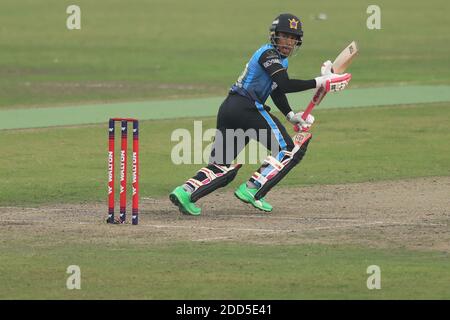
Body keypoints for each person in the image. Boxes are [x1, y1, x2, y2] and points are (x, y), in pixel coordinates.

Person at [169, 13, 350, 215]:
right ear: (274, 36)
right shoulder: (268, 55)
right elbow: (286, 85)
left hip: (230, 108)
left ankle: (185, 192)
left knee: (220, 166)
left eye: (293, 38)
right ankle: (252, 189)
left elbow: (276, 90)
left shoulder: (280, 61)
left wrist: (290, 115)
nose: (288, 42)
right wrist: (321, 81)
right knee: (288, 150)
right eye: (284, 36)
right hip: (247, 108)